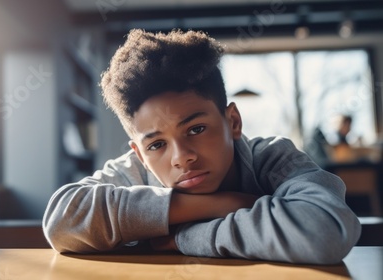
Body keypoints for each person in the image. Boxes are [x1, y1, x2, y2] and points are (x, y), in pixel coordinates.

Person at [43, 29, 361, 264]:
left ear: (233, 122)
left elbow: (324, 232)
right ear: (138, 153)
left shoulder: (272, 159)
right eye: (156, 144)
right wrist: (223, 204)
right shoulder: (133, 171)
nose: (182, 157)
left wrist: (182, 237)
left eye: (196, 128)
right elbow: (61, 221)